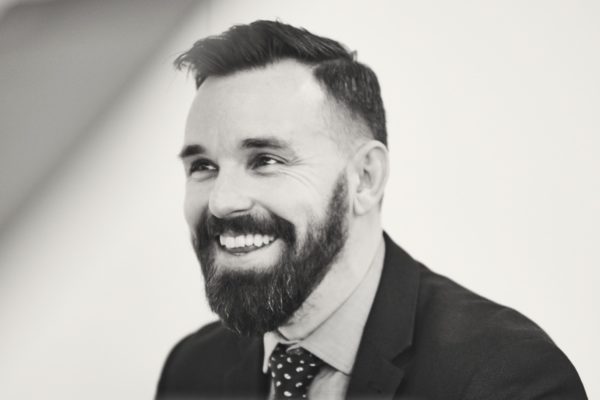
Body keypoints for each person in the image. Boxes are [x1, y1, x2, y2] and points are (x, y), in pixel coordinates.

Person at [156, 20, 587, 400]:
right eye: (202, 166)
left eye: (266, 160)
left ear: (364, 177)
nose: (222, 201)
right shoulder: (191, 369)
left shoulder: (507, 378)